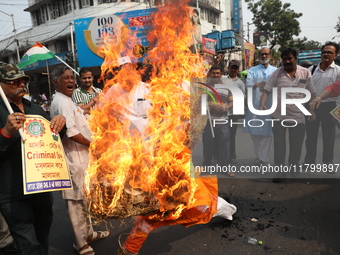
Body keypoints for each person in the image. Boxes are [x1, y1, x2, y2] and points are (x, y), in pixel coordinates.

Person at [0, 63, 66, 254]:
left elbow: (53, 139)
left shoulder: (34, 107)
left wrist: (61, 124)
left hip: (41, 188)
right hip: (13, 194)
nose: (20, 84)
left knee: (42, 237)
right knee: (28, 245)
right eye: (13, 81)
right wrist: (5, 132)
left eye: (23, 80)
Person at [50, 66, 109, 255]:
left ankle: (89, 234)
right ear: (55, 82)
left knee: (85, 200)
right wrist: (93, 144)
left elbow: (78, 120)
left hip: (82, 160)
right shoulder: (62, 102)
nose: (70, 81)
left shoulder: (68, 100)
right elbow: (72, 132)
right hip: (74, 161)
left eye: (71, 78)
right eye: (65, 78)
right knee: (75, 203)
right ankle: (80, 243)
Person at [260, 48, 316, 182]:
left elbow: (312, 93)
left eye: (290, 58)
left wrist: (312, 111)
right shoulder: (276, 74)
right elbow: (267, 91)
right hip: (278, 116)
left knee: (296, 144)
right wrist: (262, 104)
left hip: (298, 117)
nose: (287, 61)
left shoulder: (305, 72)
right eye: (284, 59)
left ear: (296, 58)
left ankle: (293, 166)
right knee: (279, 145)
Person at [303, 42, 340, 167]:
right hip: (312, 106)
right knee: (311, 135)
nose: (326, 54)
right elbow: (305, 88)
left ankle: (328, 162)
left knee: (328, 137)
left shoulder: (338, 71)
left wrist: (337, 111)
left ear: (335, 55)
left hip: (330, 106)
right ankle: (309, 161)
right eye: (324, 52)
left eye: (330, 52)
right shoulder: (311, 70)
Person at [244, 47, 277, 165]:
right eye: (262, 54)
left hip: (269, 106)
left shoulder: (276, 70)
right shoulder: (252, 70)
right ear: (259, 56)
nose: (264, 56)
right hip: (254, 106)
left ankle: (264, 159)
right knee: (255, 133)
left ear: (270, 56)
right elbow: (248, 84)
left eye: (266, 54)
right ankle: (258, 156)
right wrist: (256, 84)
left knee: (267, 133)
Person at [202, 65, 233, 176]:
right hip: (208, 121)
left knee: (224, 145)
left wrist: (227, 107)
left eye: (218, 73)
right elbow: (200, 101)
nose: (216, 75)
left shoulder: (227, 87)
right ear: (210, 74)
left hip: (223, 121)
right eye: (214, 73)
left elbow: (231, 101)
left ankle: (226, 168)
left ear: (221, 74)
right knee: (208, 145)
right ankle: (206, 166)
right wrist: (212, 105)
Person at [224, 60, 245, 164]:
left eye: (235, 68)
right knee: (220, 135)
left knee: (231, 136)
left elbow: (243, 96)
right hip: (221, 114)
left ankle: (232, 155)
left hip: (233, 113)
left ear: (238, 70)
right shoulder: (222, 79)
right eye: (232, 67)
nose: (233, 70)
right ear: (228, 68)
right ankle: (219, 156)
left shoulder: (240, 83)